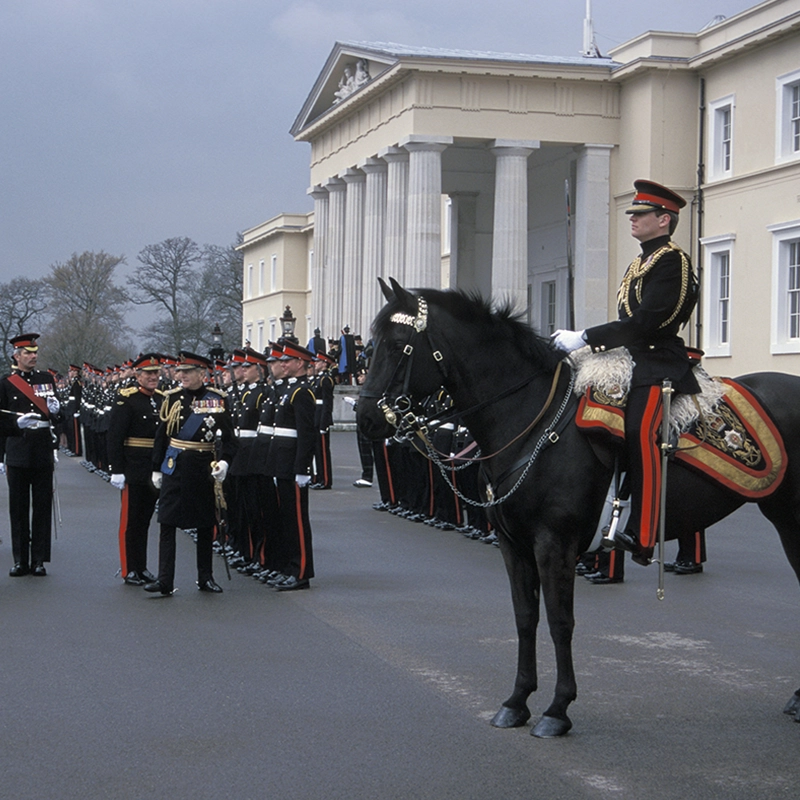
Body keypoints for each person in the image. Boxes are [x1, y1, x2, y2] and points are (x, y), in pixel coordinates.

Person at [552, 179, 699, 565]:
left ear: (664, 220)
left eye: (640, 214)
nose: (632, 219)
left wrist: (586, 336)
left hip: (658, 362)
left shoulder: (673, 261)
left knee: (640, 431)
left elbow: (650, 320)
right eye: (632, 212)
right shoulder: (640, 262)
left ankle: (645, 531)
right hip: (629, 359)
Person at [145, 351, 236, 596]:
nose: (181, 375)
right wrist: (156, 468)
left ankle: (205, 577)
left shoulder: (217, 399)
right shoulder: (172, 397)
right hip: (175, 466)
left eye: (187, 371)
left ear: (201, 373)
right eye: (179, 371)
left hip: (203, 467)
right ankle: (165, 579)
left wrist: (225, 463)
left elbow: (229, 439)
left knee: (206, 524)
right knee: (167, 522)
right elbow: (161, 437)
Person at [0, 333, 63, 576]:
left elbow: (57, 416)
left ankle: (38, 559)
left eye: (35, 352)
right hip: (17, 447)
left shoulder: (46, 379)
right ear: (16, 356)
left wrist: (57, 412)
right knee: (18, 508)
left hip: (41, 448)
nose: (33, 356)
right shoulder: (6, 383)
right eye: (27, 353)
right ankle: (20, 560)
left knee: (41, 506)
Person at [264, 340, 317, 591]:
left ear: (299, 363)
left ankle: (301, 571)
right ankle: (288, 567)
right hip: (281, 463)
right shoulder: (288, 391)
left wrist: (303, 469)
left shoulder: (302, 392)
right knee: (286, 520)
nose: (282, 364)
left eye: (287, 361)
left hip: (293, 465)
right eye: (281, 361)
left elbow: (307, 435)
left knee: (296, 521)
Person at [107, 353, 163, 586]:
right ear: (137, 376)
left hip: (153, 468)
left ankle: (142, 566)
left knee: (145, 521)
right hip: (132, 467)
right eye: (148, 374)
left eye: (156, 373)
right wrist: (117, 469)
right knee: (130, 522)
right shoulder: (126, 399)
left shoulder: (161, 399)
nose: (153, 377)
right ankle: (129, 568)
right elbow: (115, 436)